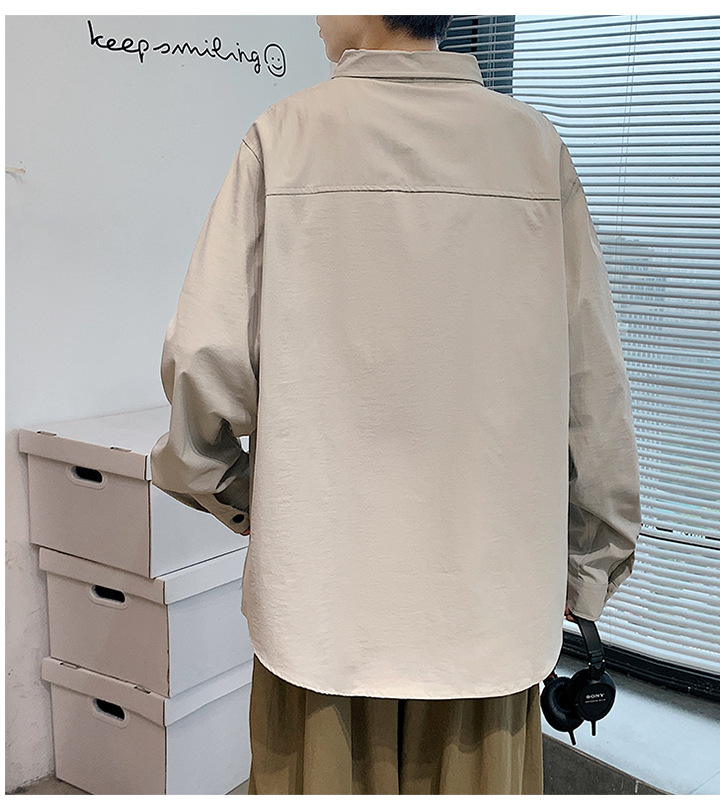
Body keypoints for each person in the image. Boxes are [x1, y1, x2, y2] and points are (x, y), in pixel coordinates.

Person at [150, 15, 642, 795]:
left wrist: (246, 500)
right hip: (488, 607)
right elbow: (594, 390)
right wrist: (589, 569)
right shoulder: (533, 148)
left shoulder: (283, 139)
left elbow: (202, 366)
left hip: (320, 605)